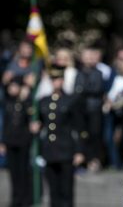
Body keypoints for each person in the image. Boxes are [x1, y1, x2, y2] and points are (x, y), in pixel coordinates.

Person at [30, 63, 85, 207]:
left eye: (59, 79)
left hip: (66, 150)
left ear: (63, 81)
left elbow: (78, 127)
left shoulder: (71, 100)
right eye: (53, 79)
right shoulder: (43, 101)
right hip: (49, 150)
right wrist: (36, 125)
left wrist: (79, 151)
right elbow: (40, 121)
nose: (56, 82)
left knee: (66, 191)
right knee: (53, 191)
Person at [0, 75, 33, 207]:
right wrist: (2, 141)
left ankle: (25, 198)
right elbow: (4, 124)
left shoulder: (25, 102)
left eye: (15, 86)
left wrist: (26, 94)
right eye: (11, 86)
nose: (12, 89)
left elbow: (31, 117)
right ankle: (16, 198)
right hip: (10, 141)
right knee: (13, 172)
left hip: (23, 141)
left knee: (23, 171)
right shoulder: (7, 102)